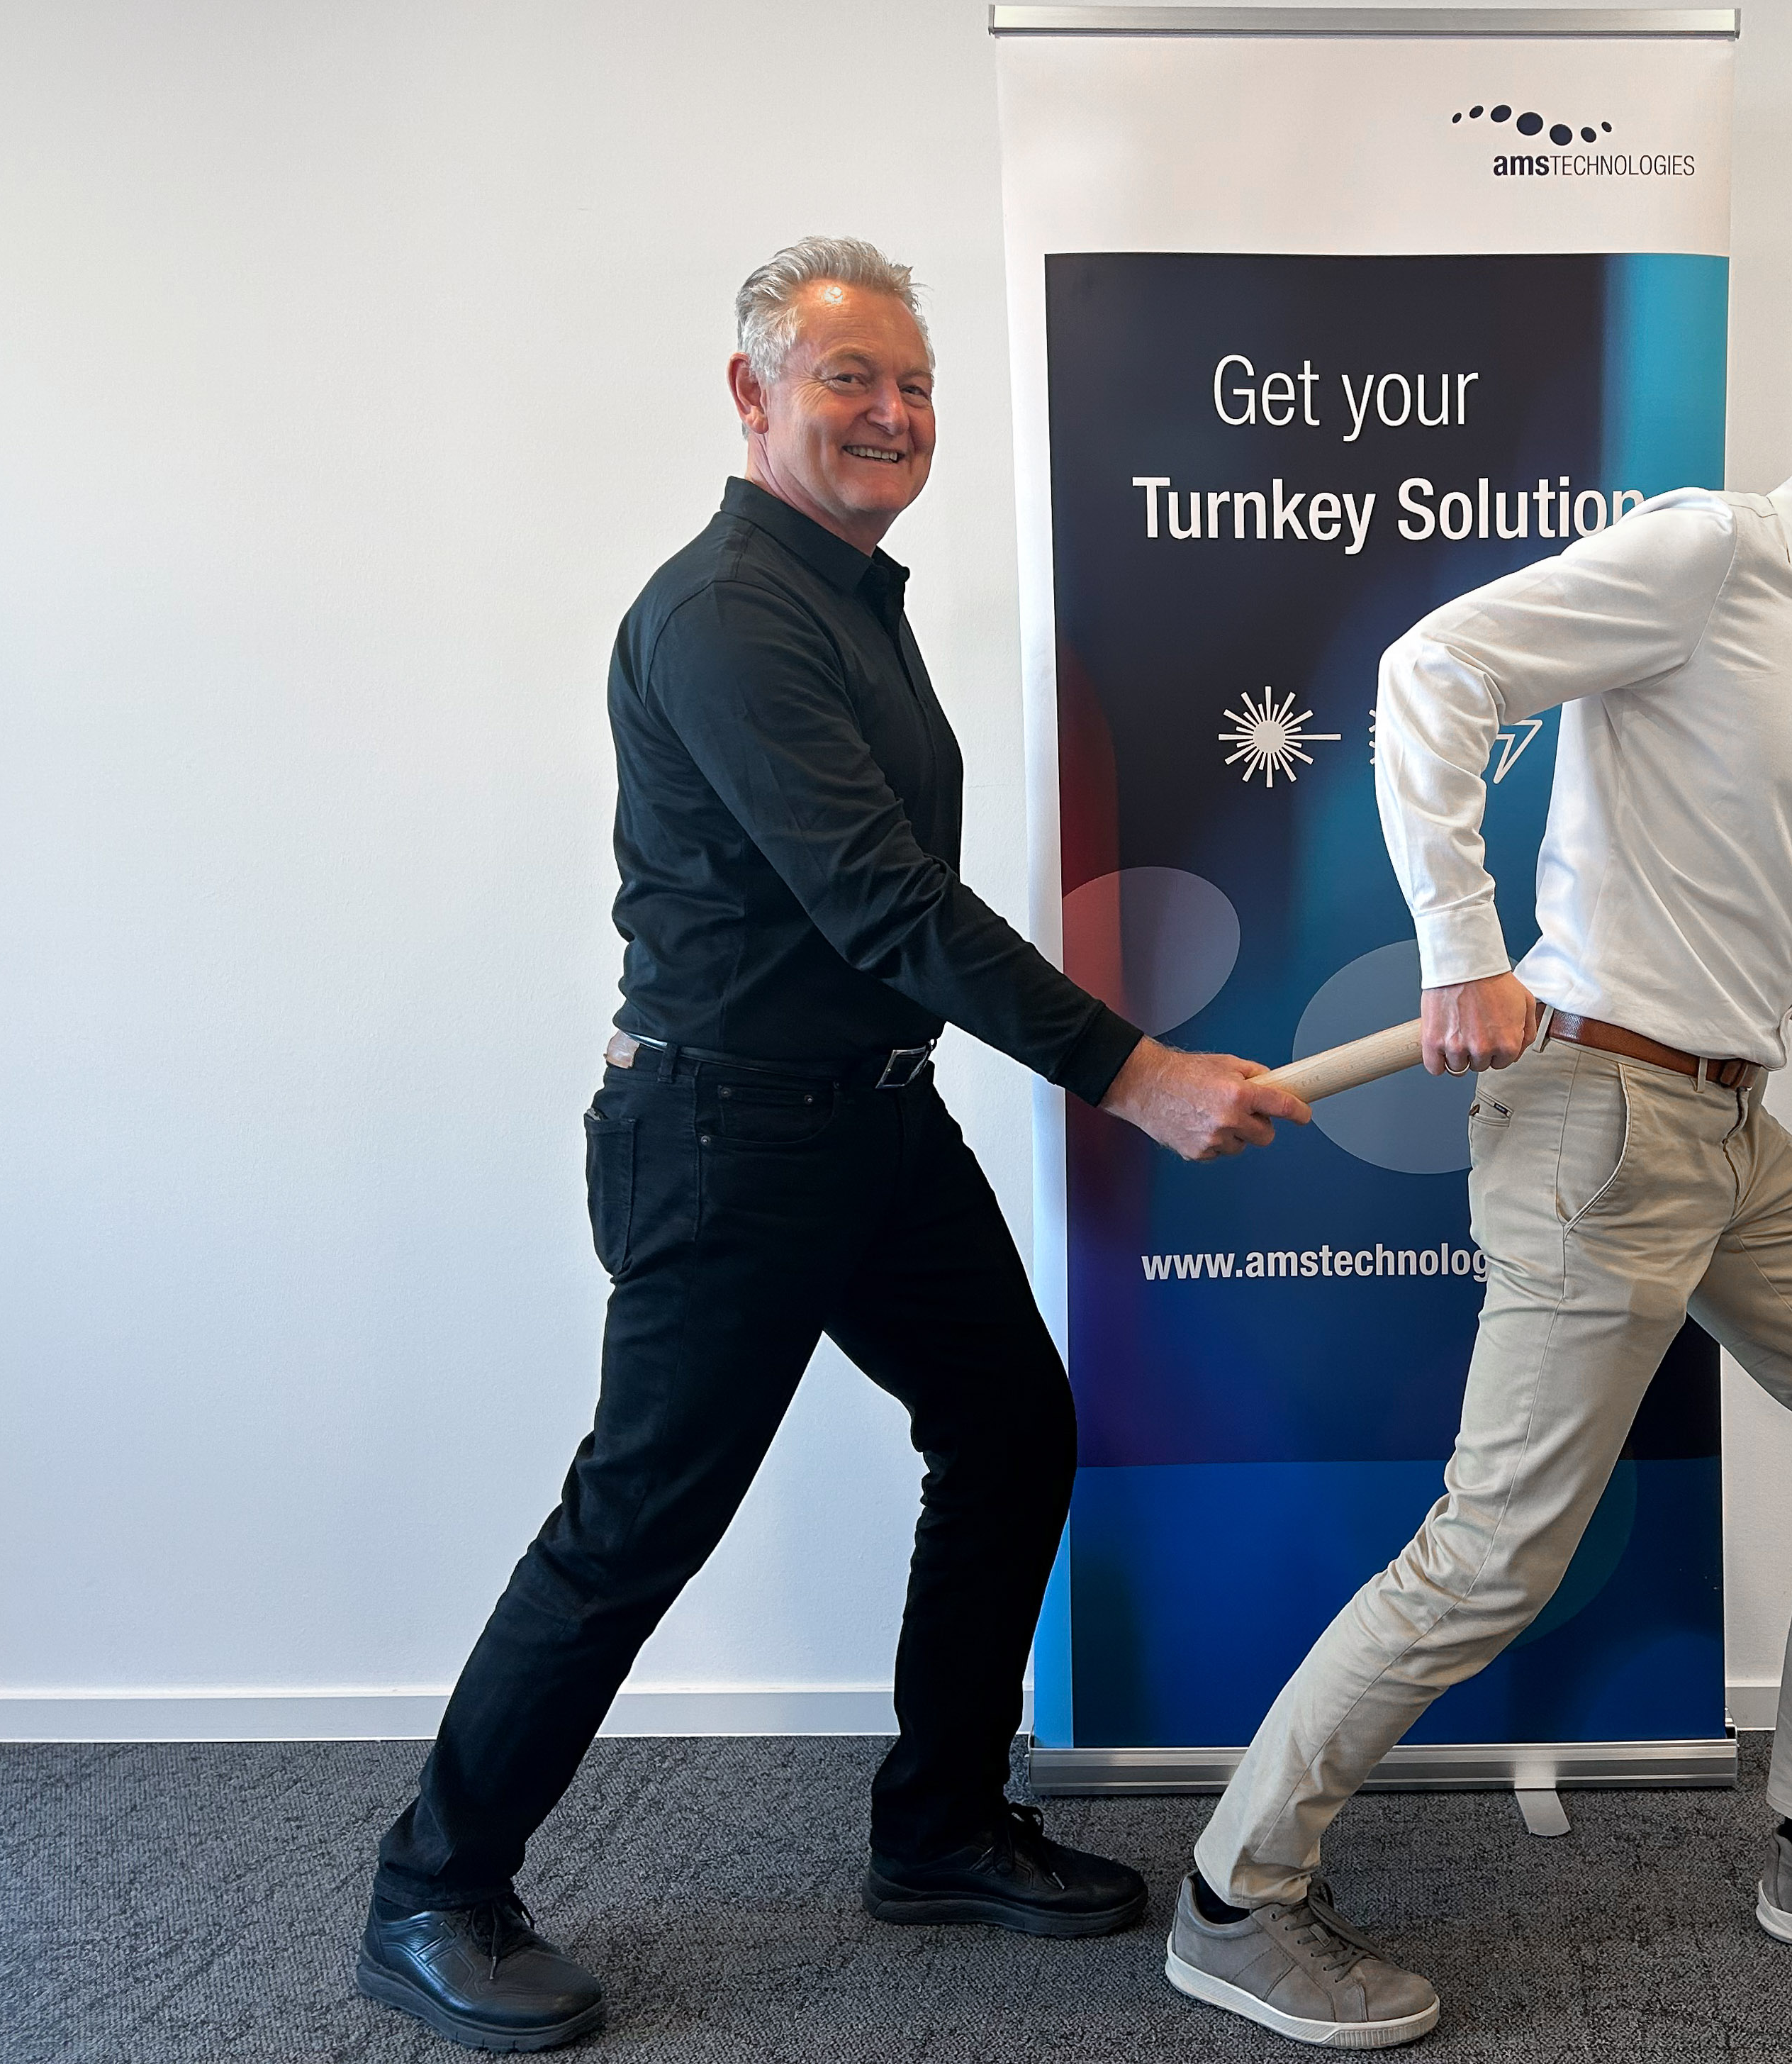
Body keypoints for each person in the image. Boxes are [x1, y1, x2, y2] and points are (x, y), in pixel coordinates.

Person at [356, 236, 1306, 2053]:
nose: (891, 413)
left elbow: (879, 920)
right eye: (848, 377)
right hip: (726, 1134)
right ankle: (430, 1890)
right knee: (640, 1519)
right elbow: (885, 901)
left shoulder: (846, 592)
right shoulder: (729, 613)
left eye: (914, 384)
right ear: (753, 392)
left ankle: (937, 1826)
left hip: (868, 1115)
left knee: (1011, 1426)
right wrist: (1132, 1072)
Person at [1164, 291, 1792, 2048]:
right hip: (1604, 1120)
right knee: (1496, 1551)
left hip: (1729, 1125)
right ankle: (1233, 1897)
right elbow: (1434, 671)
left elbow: (1740, 918)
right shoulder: (1711, 555)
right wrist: (1460, 946)